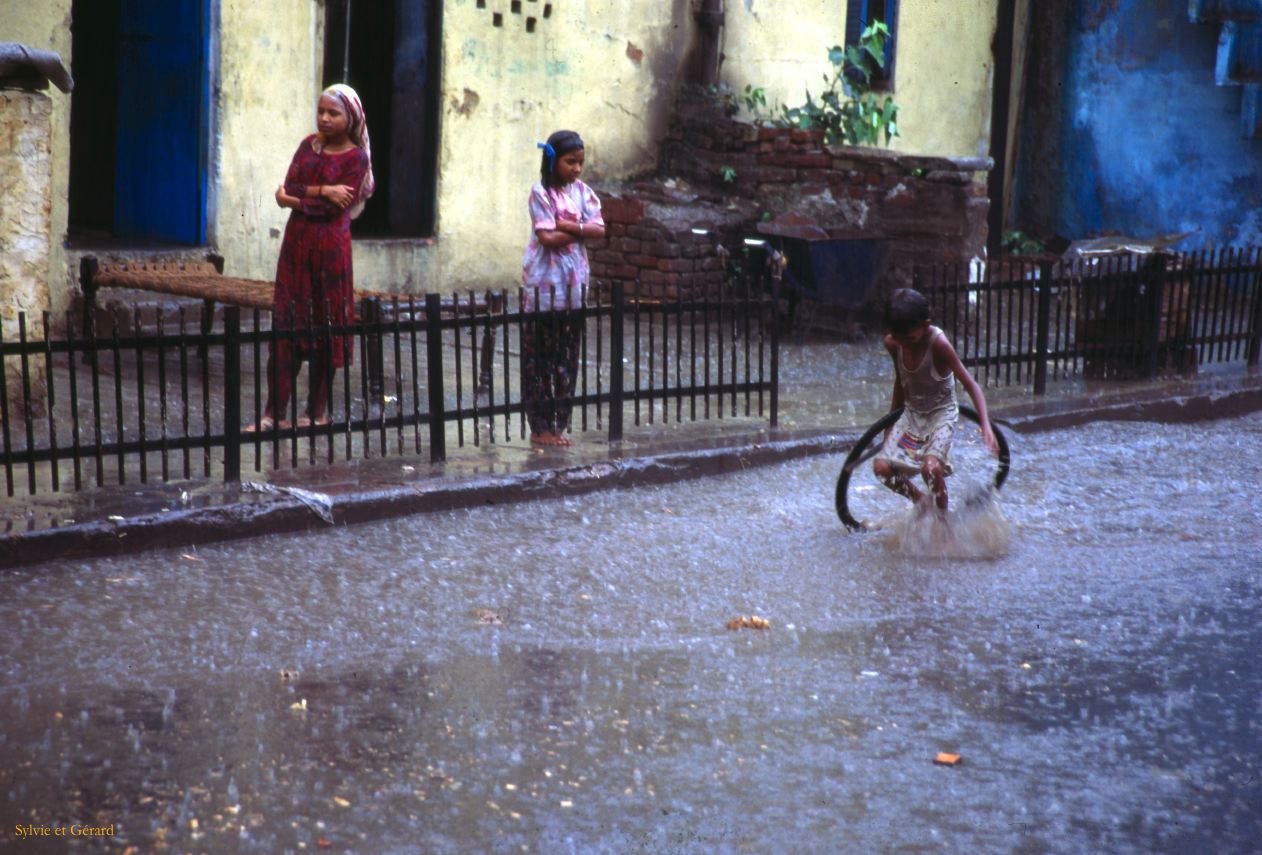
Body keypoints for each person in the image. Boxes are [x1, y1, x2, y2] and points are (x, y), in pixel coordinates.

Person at [248, 83, 373, 431]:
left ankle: (316, 411)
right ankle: (274, 414)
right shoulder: (308, 145)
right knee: (288, 325)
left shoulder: (356, 158)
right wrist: (321, 191)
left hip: (331, 249)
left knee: (325, 324)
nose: (325, 118)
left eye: (333, 113)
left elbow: (325, 208)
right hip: (297, 247)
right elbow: (288, 187)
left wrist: (296, 198)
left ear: (351, 117)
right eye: (321, 111)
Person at [873, 288, 999, 511]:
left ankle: (943, 524)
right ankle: (922, 503)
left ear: (926, 325)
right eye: (899, 338)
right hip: (912, 416)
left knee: (930, 469)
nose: (905, 344)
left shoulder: (938, 344)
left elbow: (971, 385)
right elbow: (901, 382)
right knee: (882, 468)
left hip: (941, 414)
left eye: (909, 338)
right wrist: (889, 426)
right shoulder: (894, 344)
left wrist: (985, 425)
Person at [520, 129, 605, 446]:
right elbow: (547, 238)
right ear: (553, 160)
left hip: (573, 289)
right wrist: (584, 229)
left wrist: (569, 225)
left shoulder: (583, 192)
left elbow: (600, 229)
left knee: (565, 360)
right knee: (539, 360)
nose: (577, 169)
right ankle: (540, 427)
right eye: (571, 162)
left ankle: (557, 426)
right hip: (544, 287)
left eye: (581, 162)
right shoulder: (540, 192)